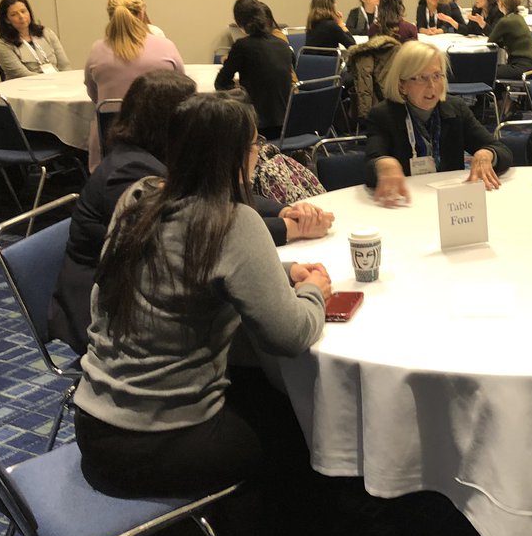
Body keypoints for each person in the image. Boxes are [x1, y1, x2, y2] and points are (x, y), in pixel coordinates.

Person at [74, 91, 331, 536]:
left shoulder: (141, 199)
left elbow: (180, 272)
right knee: (301, 427)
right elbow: (288, 335)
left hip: (95, 427)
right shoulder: (233, 222)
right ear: (240, 155)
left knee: (259, 393)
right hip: (162, 440)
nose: (260, 152)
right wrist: (312, 293)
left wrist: (276, 274)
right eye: (255, 144)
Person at [51, 70, 333, 352]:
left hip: (133, 339)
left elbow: (206, 233)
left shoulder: (149, 173)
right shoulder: (131, 178)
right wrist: (313, 290)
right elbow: (290, 335)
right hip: (117, 326)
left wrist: (284, 213)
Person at [364, 41, 512, 204]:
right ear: (402, 85)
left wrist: (487, 154)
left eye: (437, 76)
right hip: (406, 202)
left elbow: (502, 151)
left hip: (451, 203)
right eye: (421, 78)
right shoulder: (383, 115)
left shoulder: (455, 109)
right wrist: (383, 164)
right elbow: (369, 166)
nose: (432, 86)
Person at [84, 0, 186, 169]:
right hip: (162, 139)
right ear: (141, 14)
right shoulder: (165, 46)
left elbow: (94, 95)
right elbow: (182, 88)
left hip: (111, 140)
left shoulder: (97, 50)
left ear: (110, 17)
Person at [215, 0, 295, 139]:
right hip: (287, 124)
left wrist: (240, 89)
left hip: (257, 126)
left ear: (239, 22)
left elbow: (221, 83)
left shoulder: (242, 46)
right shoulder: (283, 45)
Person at [0, 0, 70, 79]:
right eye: (14, 14)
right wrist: (51, 80)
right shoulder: (2, 44)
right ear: (7, 19)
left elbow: (64, 65)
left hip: (57, 83)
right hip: (27, 87)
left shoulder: (46, 33)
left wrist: (66, 81)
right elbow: (21, 74)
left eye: (23, 11)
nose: (21, 16)